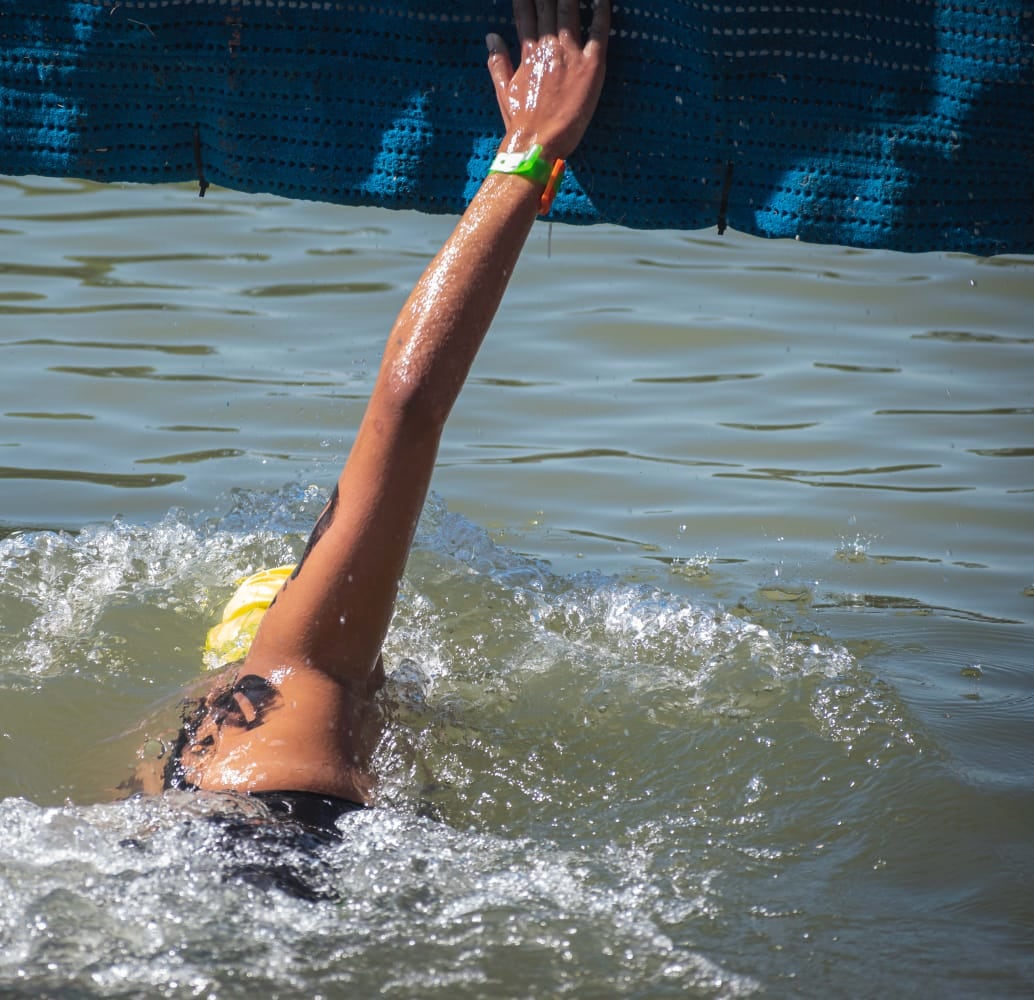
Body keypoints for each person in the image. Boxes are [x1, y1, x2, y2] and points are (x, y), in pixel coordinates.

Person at [130, 0, 611, 855]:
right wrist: (530, 155)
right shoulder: (300, 663)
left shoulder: (157, 765)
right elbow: (408, 403)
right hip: (279, 862)